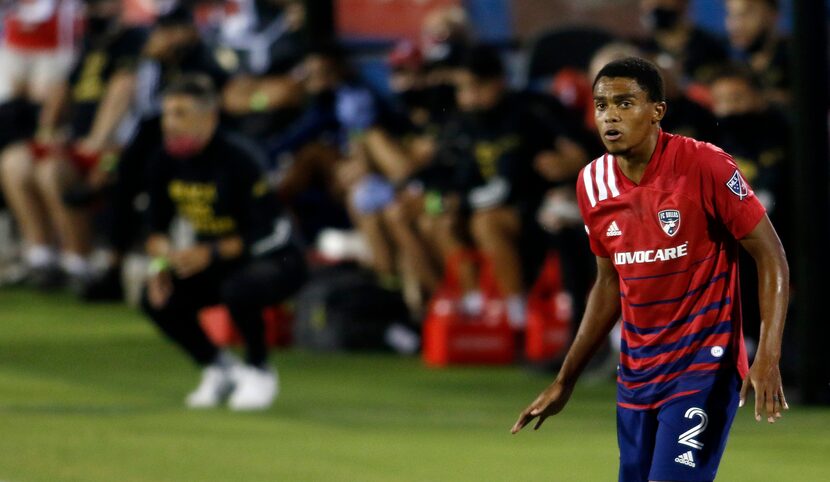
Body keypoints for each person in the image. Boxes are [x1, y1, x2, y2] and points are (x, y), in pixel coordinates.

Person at [511, 58, 789, 482]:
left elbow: (770, 255)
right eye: (602, 105)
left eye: (625, 103)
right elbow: (608, 285)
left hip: (704, 365)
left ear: (657, 110)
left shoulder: (705, 165)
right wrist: (566, 379)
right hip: (637, 373)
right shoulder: (592, 183)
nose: (610, 115)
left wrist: (767, 352)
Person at [141, 75, 307, 411]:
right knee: (158, 297)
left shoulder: (240, 158)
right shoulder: (164, 161)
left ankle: (259, 369)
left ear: (210, 118)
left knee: (240, 288)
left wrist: (210, 251)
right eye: (167, 114)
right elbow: (155, 227)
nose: (171, 124)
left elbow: (267, 229)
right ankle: (218, 367)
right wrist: (162, 264)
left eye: (181, 114)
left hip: (277, 259)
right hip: (217, 259)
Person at [0, 0, 146, 289]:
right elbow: (63, 88)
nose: (95, 11)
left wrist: (97, 140)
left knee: (52, 171)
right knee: (14, 160)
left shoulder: (134, 39)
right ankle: (40, 255)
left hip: (113, 147)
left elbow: (123, 87)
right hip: (75, 140)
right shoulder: (89, 42)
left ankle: (78, 259)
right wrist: (47, 129)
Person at [724, 0, 789, 105]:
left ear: (773, 14)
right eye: (731, 14)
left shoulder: (798, 57)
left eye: (747, 14)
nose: (736, 25)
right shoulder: (725, 57)